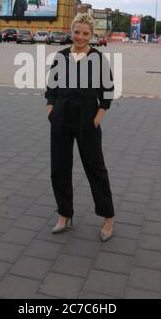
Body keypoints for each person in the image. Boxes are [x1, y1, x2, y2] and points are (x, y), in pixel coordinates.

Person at [45, 13, 115, 242]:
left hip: (87, 120)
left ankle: (108, 218)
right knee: (59, 169)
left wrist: (97, 119)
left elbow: (107, 94)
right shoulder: (60, 56)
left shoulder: (98, 59)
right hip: (61, 120)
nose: (80, 37)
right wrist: (51, 111)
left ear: (92, 35)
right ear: (71, 31)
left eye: (86, 33)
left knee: (96, 169)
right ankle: (65, 214)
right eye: (77, 32)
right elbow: (51, 90)